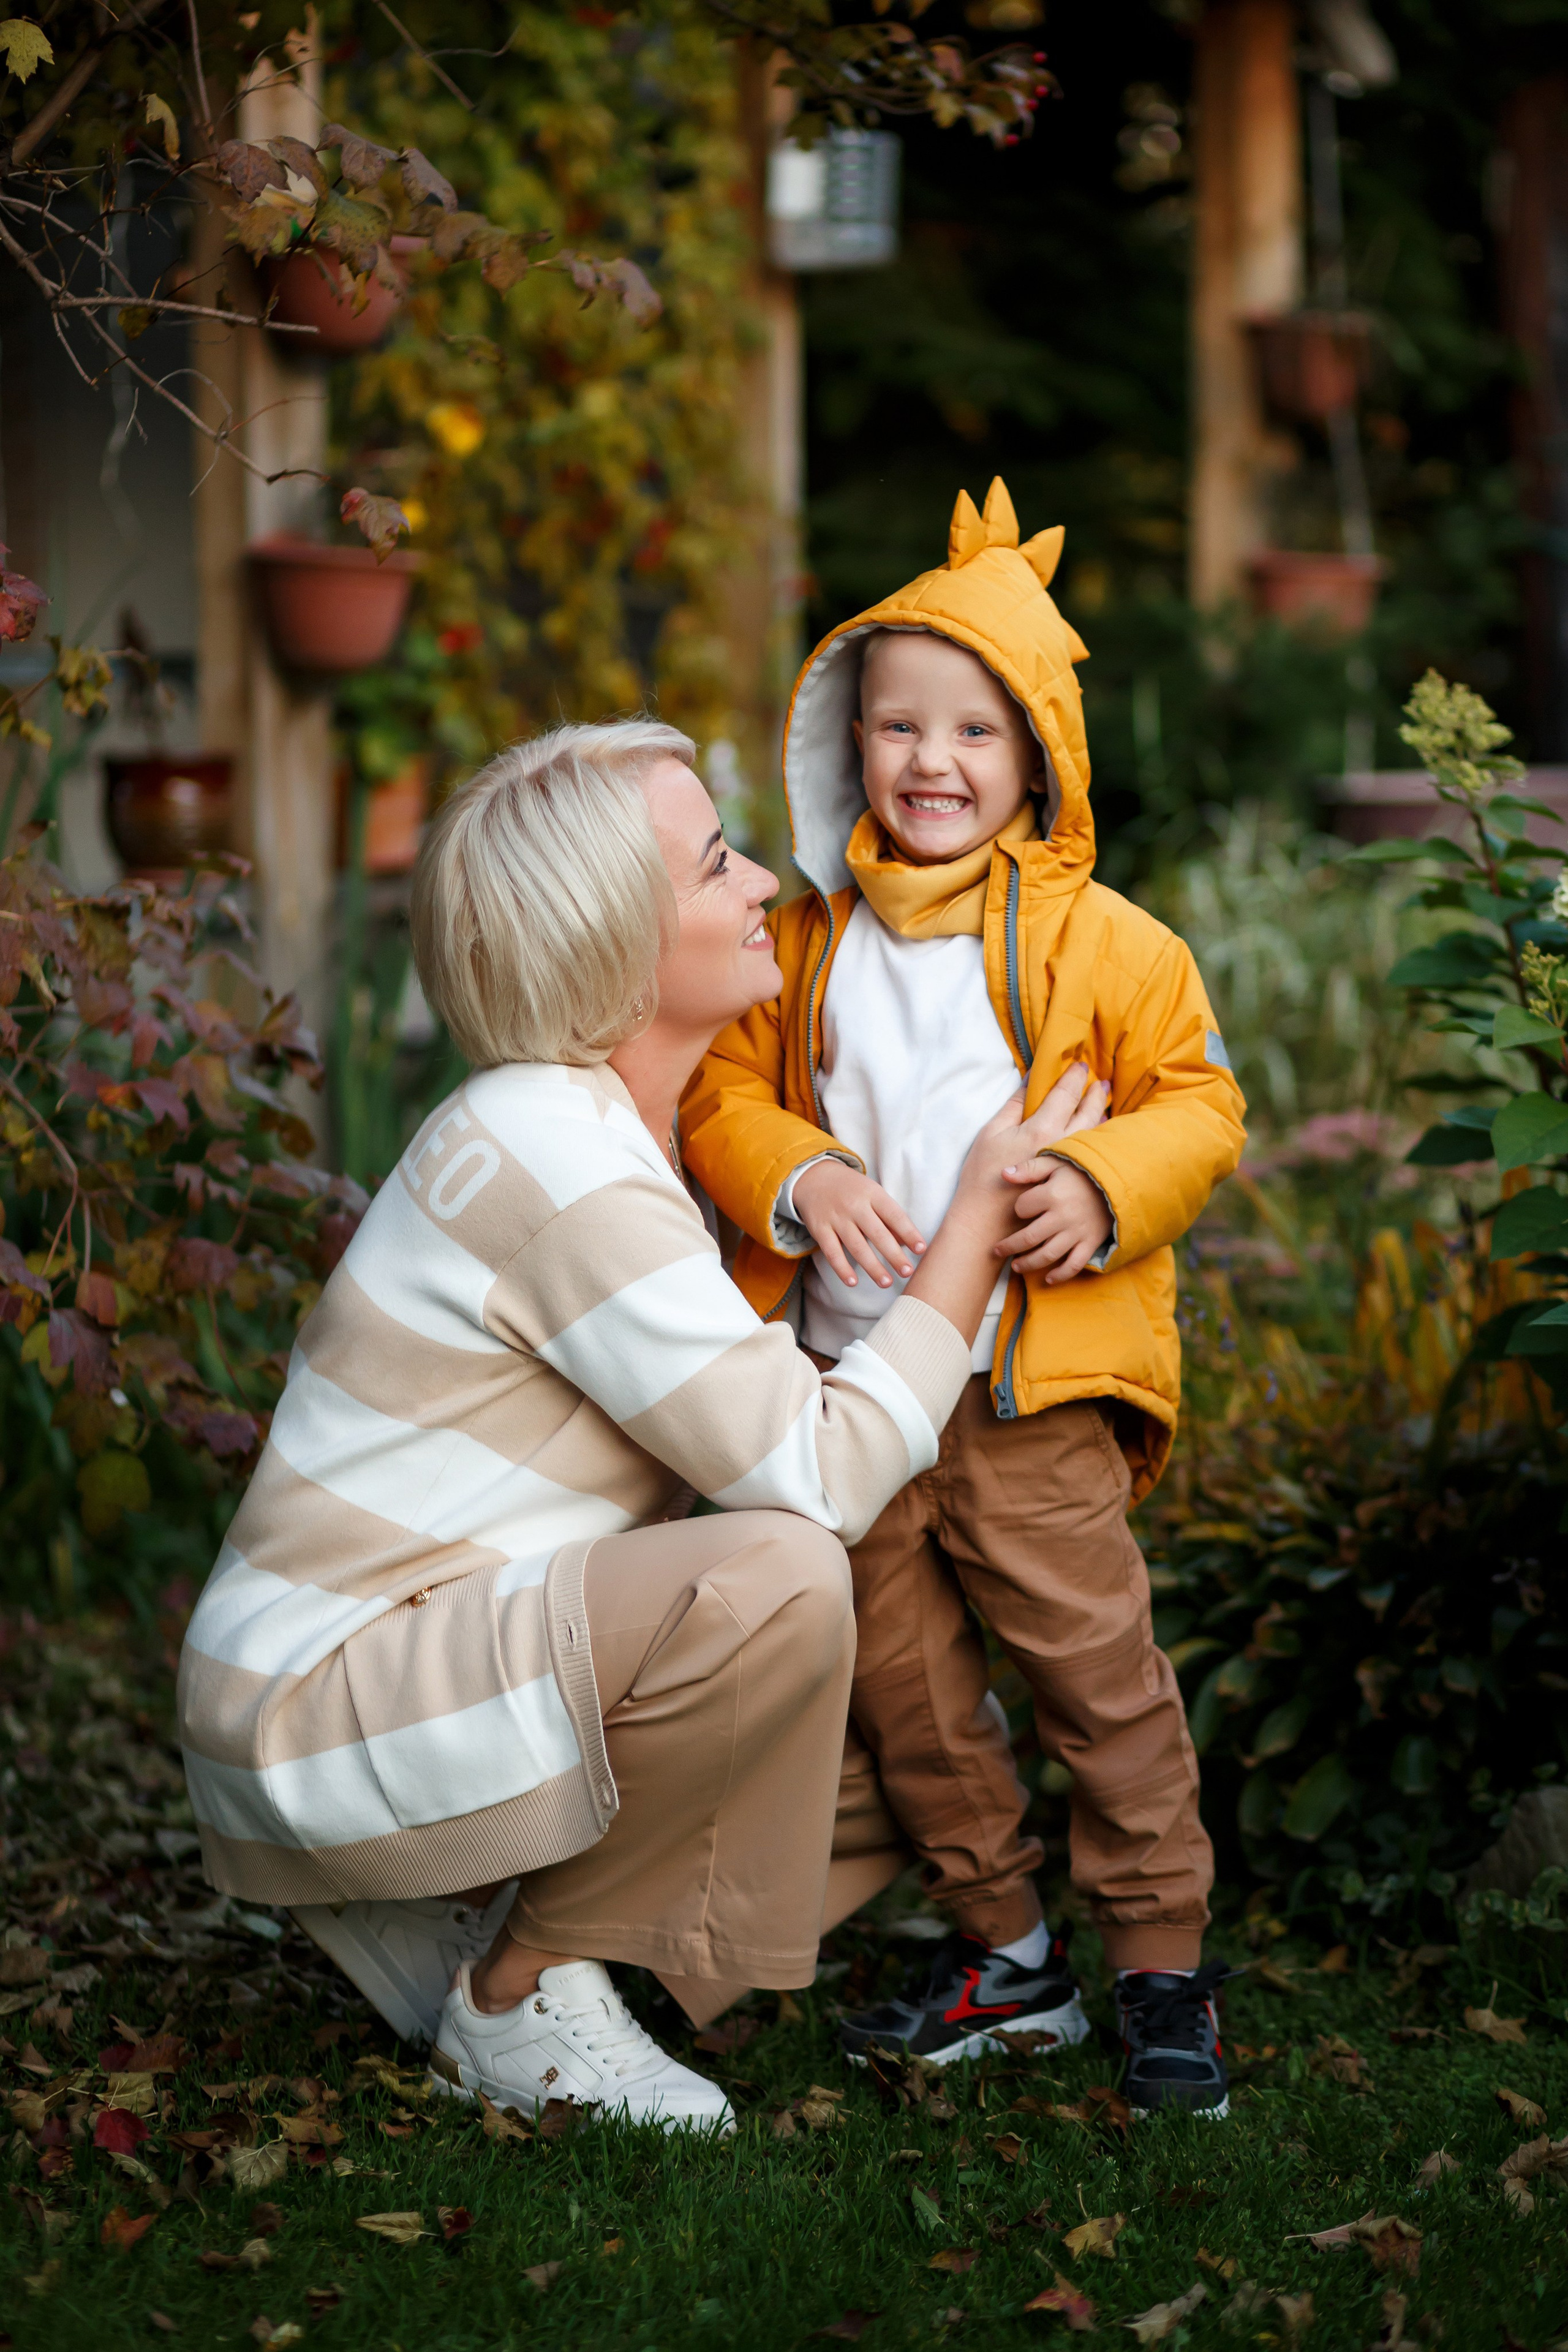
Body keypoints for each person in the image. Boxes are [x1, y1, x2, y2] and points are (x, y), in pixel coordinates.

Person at [175, 717, 1107, 2133]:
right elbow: (817, 1473)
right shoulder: (561, 1160)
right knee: (782, 1576)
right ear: (618, 940)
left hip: (413, 1662)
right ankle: (512, 1998)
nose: (760, 893)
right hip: (320, 1706)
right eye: (718, 863)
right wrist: (971, 1226)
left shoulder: (602, 1138)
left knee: (872, 1738)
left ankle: (486, 1908)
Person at [681, 481, 1248, 2116]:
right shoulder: (801, 945)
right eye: (894, 728)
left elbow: (1197, 1106)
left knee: (1096, 1679)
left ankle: (1160, 1967)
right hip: (851, 1402)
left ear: (1040, 754)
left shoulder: (1116, 949)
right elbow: (719, 1093)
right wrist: (798, 1170)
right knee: (906, 1690)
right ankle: (1005, 1952)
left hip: (1023, 1394)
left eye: (976, 734)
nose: (932, 764)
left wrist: (1103, 1185)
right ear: (844, 743)